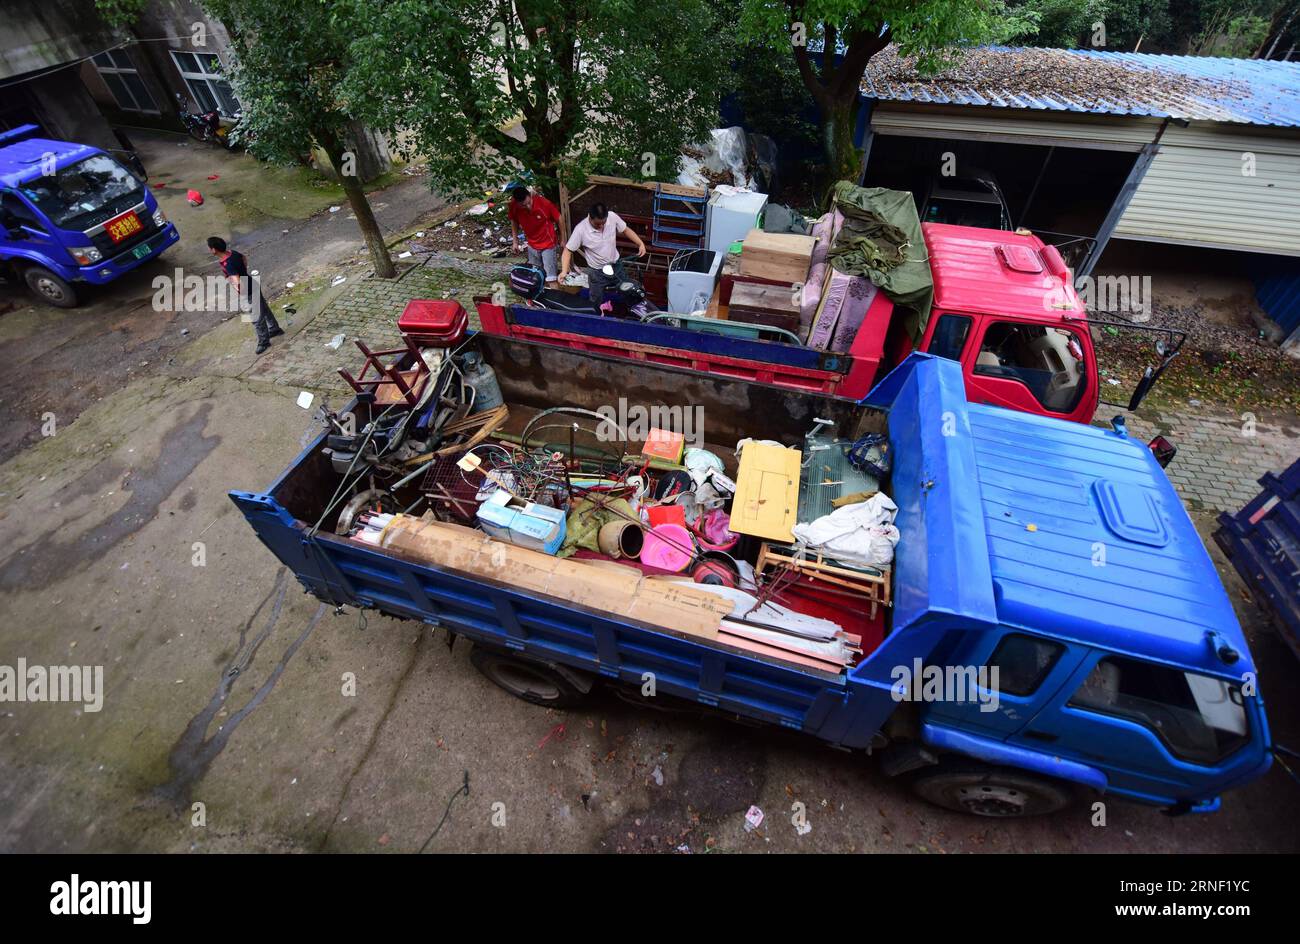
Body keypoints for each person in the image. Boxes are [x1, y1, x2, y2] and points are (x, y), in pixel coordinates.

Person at [559, 203, 647, 308]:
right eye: (597, 224)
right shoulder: (580, 230)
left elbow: (625, 230)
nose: (601, 226)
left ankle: (631, 313)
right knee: (595, 299)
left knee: (628, 291)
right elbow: (568, 250)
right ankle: (595, 317)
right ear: (590, 218)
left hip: (616, 266)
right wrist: (564, 271)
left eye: (603, 223)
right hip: (597, 272)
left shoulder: (612, 217)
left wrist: (640, 243)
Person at [207, 236, 282, 354]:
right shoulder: (232, 253)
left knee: (256, 317)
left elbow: (236, 280)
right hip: (251, 283)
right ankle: (274, 328)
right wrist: (243, 272)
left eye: (209, 248)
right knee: (264, 309)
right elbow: (244, 258)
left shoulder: (228, 264)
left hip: (248, 290)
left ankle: (264, 341)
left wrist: (239, 290)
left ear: (213, 250)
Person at [507, 185, 562, 287]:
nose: (528, 207)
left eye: (529, 203)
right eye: (523, 205)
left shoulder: (544, 203)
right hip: (532, 245)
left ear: (530, 196)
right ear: (517, 203)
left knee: (551, 278)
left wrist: (562, 238)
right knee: (536, 276)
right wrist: (515, 241)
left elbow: (559, 218)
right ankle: (536, 299)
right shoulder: (513, 206)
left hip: (548, 244)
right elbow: (514, 221)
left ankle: (554, 297)